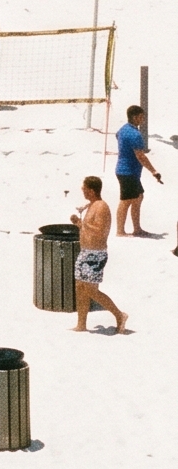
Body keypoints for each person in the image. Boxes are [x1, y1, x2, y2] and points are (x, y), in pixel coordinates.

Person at [73, 175, 132, 334]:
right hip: (85, 252)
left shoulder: (101, 207)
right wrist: (78, 223)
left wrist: (83, 223)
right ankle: (81, 324)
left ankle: (120, 315)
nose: (82, 191)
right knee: (80, 287)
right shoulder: (91, 205)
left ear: (91, 190)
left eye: (84, 188)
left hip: (95, 254)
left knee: (91, 290)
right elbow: (87, 229)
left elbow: (100, 231)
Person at [117, 104, 160, 236]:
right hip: (128, 171)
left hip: (126, 170)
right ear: (134, 117)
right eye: (141, 117)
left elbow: (118, 136)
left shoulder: (123, 129)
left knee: (138, 197)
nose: (143, 119)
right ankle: (120, 231)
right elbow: (140, 156)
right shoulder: (135, 134)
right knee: (126, 201)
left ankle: (137, 229)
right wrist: (153, 171)